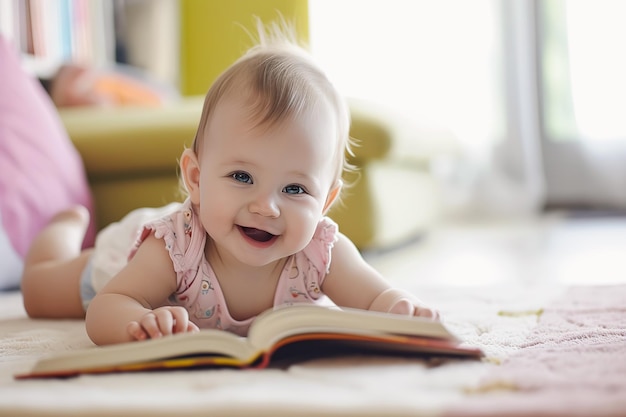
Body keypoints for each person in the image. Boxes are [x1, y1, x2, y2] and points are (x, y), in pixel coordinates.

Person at [21, 23, 439, 346]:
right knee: (41, 293)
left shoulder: (320, 252)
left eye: (295, 190)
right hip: (120, 261)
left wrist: (399, 309)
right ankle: (60, 234)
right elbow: (108, 307)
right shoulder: (175, 247)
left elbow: (375, 298)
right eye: (242, 177)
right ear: (197, 178)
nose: (266, 207)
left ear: (326, 201)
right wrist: (139, 322)